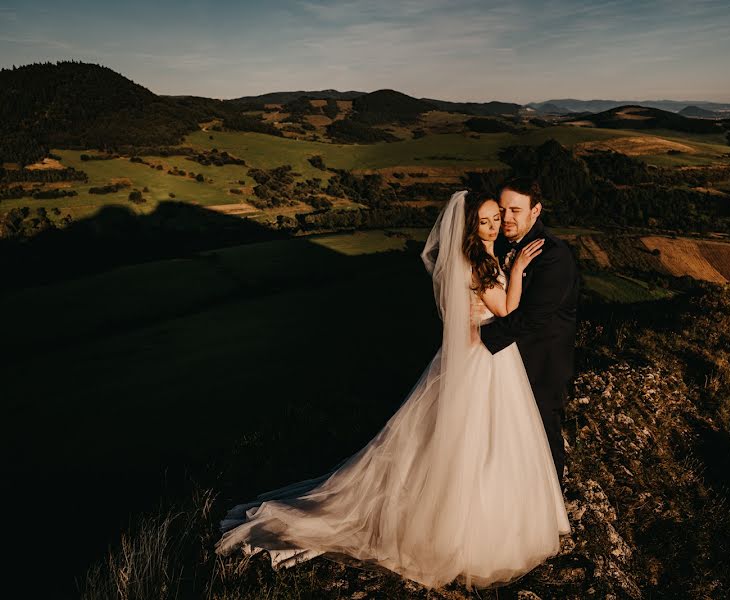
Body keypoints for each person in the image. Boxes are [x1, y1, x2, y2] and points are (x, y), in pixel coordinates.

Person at [215, 190, 571, 590]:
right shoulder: (479, 262)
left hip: (482, 356)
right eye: (485, 221)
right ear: (471, 226)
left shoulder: (474, 258)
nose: (492, 227)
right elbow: (506, 309)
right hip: (484, 360)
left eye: (495, 219)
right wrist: (519, 267)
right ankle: (467, 529)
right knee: (474, 443)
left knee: (477, 441)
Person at [479, 177, 580, 484]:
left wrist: (479, 342)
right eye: (502, 210)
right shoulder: (498, 245)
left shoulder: (553, 256)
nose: (506, 218)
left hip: (541, 363)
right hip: (509, 360)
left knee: (544, 435)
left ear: (536, 211)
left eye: (515, 210)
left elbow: (532, 317)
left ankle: (552, 506)